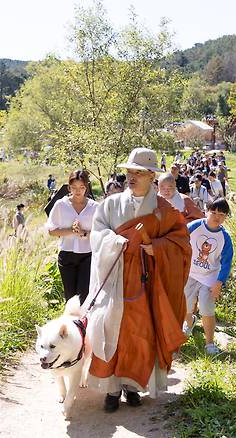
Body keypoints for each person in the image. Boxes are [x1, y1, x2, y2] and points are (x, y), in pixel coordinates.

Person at [83, 147, 191, 413]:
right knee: (112, 330)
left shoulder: (164, 211)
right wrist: (115, 241)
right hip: (115, 278)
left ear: (151, 176)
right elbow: (97, 234)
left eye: (138, 173)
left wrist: (157, 247)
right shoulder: (110, 203)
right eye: (129, 172)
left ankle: (133, 387)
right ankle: (111, 389)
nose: (131, 177)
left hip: (146, 282)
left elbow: (181, 243)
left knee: (141, 334)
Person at [182, 198, 234, 355]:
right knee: (186, 304)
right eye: (213, 212)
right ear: (207, 211)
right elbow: (178, 241)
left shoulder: (225, 238)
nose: (216, 216)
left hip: (210, 277)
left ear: (226, 217)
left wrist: (219, 283)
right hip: (190, 273)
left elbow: (226, 263)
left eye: (221, 214)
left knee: (206, 308)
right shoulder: (194, 227)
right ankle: (189, 324)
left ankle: (209, 343)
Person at [46, 170, 98, 304]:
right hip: (67, 255)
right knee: (70, 297)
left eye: (81, 187)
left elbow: (100, 232)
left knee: (84, 296)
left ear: (86, 187)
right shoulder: (61, 205)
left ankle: (84, 324)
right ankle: (71, 324)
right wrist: (71, 230)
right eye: (74, 187)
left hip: (87, 255)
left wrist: (84, 233)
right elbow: (52, 230)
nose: (78, 191)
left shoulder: (95, 207)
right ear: (69, 188)